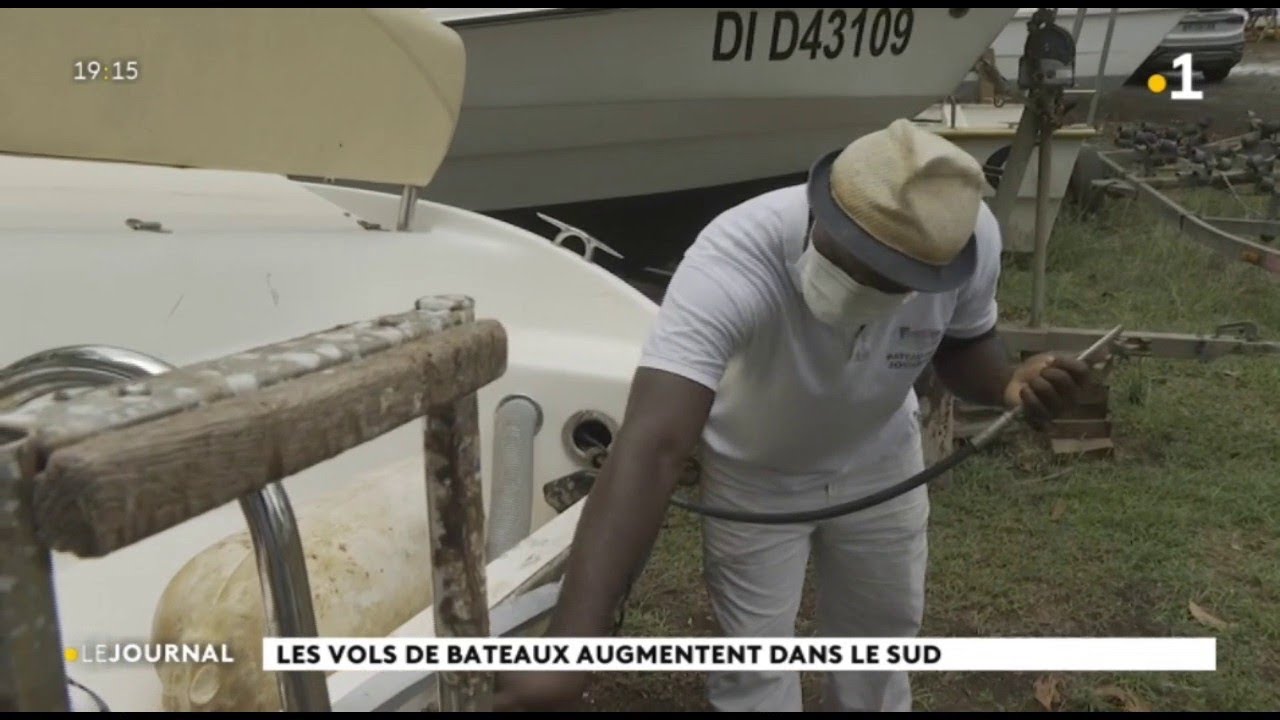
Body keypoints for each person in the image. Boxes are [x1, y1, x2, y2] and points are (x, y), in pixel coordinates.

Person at [494, 118, 1092, 712]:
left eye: (884, 280)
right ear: (822, 208)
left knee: (880, 640)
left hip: (879, 461)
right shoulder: (732, 260)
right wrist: (570, 649)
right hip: (756, 476)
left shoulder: (964, 238)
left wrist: (1008, 382)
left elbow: (963, 342)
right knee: (754, 665)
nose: (858, 283)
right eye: (849, 259)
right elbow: (653, 447)